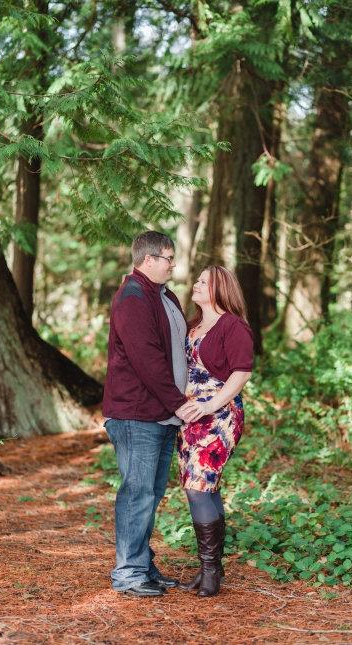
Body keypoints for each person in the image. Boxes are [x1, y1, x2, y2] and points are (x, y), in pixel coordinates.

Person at [103, 231, 199, 597]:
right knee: (137, 494)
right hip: (136, 414)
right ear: (148, 260)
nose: (173, 264)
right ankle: (127, 574)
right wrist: (178, 403)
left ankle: (141, 563)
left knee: (151, 494)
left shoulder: (163, 295)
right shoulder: (133, 297)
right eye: (168, 257)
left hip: (160, 414)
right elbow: (147, 360)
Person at [176, 266, 253, 597]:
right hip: (191, 417)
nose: (196, 284)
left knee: (198, 488)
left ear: (221, 288)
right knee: (206, 488)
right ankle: (214, 571)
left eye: (204, 281)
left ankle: (209, 572)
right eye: (197, 279)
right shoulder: (193, 325)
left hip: (220, 414)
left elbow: (242, 372)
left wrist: (210, 405)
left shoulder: (233, 325)